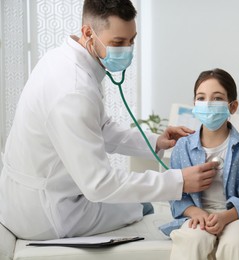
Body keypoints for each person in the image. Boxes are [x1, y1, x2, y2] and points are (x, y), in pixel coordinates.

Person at [0, 0, 219, 240]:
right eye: (118, 43)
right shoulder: (72, 91)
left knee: (138, 201)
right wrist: (178, 181)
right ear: (88, 33)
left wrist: (155, 141)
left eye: (132, 40)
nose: (127, 50)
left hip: (25, 195)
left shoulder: (61, 58)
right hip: (44, 214)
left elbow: (99, 128)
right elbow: (99, 184)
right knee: (142, 207)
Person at [159, 68, 239, 260]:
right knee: (192, 241)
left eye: (218, 98)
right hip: (196, 215)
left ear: (233, 106)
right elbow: (176, 192)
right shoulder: (183, 147)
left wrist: (224, 217)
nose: (208, 104)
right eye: (201, 97)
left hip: (234, 215)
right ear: (195, 104)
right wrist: (195, 212)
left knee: (235, 244)